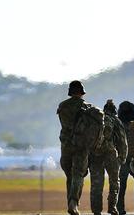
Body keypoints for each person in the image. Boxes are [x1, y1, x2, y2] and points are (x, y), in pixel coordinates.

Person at [57, 80, 93, 215]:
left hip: (66, 145)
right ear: (82, 92)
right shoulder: (88, 107)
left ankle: (71, 203)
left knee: (69, 176)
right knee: (78, 174)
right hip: (82, 146)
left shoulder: (63, 106)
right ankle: (74, 202)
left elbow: (63, 124)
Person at [89, 100, 127, 215]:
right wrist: (122, 157)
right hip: (110, 154)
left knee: (96, 184)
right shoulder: (115, 120)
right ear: (114, 111)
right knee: (114, 182)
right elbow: (122, 140)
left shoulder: (96, 120)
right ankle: (112, 207)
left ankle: (96, 210)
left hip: (95, 154)